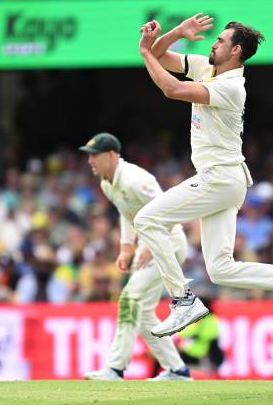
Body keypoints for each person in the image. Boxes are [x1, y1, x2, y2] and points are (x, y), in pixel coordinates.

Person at [136, 14, 273, 337]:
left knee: (147, 219)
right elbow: (161, 55)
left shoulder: (232, 87)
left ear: (236, 51)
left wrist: (145, 53)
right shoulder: (208, 68)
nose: (214, 42)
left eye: (221, 41)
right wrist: (177, 33)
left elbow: (171, 88)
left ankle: (182, 300)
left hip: (219, 177)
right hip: (224, 180)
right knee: (221, 269)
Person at [79, 133, 192, 381]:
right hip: (152, 243)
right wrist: (126, 246)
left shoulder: (135, 180)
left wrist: (148, 247)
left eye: (94, 156)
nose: (90, 162)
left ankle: (115, 368)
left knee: (129, 298)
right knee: (143, 313)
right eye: (88, 156)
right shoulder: (107, 183)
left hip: (168, 244)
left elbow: (169, 213)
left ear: (111, 155)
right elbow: (127, 213)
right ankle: (177, 370)